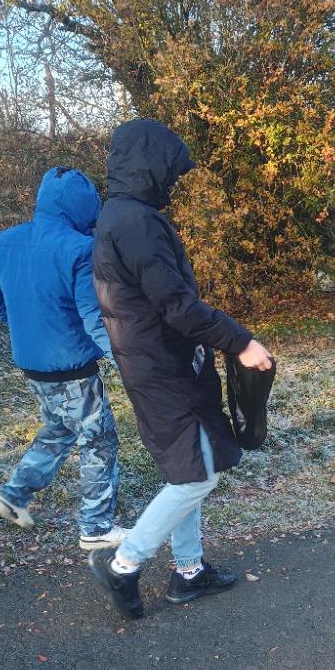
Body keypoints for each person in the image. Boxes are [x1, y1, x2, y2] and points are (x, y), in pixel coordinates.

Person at [89, 118, 273, 618]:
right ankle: (124, 564)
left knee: (191, 467)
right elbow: (176, 305)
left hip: (162, 363)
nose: (174, 181)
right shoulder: (135, 222)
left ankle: (189, 572)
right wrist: (240, 342)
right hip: (163, 368)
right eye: (170, 170)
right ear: (151, 166)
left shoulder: (122, 215)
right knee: (195, 477)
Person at [0, 166, 127, 551]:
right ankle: (96, 527)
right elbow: (94, 318)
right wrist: (128, 361)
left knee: (59, 428)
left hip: (33, 366)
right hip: (72, 368)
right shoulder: (80, 248)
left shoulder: (6, 242)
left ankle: (13, 496)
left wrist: (20, 322)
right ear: (84, 206)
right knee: (99, 441)